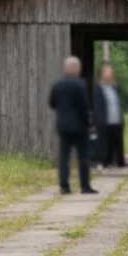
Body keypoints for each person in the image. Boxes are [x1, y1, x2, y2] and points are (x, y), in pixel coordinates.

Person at [48, 56, 97, 195]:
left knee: (64, 158)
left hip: (63, 127)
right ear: (77, 69)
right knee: (83, 157)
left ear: (65, 68)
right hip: (79, 127)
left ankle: (64, 186)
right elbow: (84, 107)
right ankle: (85, 186)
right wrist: (89, 124)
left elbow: (51, 103)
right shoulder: (80, 84)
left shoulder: (56, 84)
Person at [92, 63, 125, 169]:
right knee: (104, 143)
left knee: (115, 143)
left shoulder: (115, 87)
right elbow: (96, 106)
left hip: (116, 120)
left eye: (111, 73)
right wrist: (94, 121)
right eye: (108, 72)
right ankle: (105, 162)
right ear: (102, 74)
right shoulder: (97, 88)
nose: (110, 75)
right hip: (103, 121)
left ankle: (115, 161)